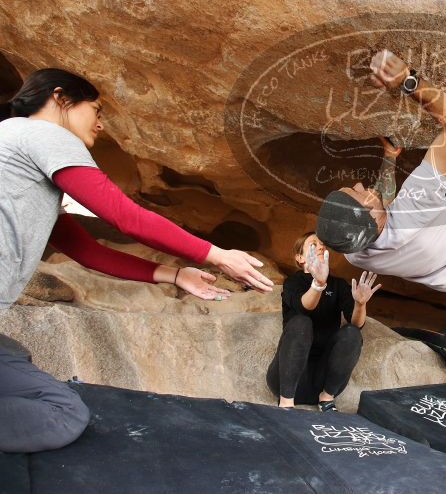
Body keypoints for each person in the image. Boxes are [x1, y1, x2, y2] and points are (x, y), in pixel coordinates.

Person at [0, 68, 276, 453]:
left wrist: (175, 276)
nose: (100, 123)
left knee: (14, 356)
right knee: (64, 415)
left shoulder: (14, 147)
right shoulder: (44, 134)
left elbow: (86, 251)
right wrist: (216, 255)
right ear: (60, 98)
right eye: (95, 109)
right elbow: (124, 216)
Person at [315, 50, 446, 293]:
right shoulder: (414, 205)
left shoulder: (352, 250)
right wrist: (407, 80)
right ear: (374, 219)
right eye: (356, 193)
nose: (358, 185)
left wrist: (390, 156)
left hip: (444, 271)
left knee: (439, 180)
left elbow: (381, 205)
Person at [267, 232, 381, 412]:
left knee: (352, 332)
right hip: (287, 379)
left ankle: (326, 399)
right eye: (313, 244)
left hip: (323, 380)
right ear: (300, 257)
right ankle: (286, 403)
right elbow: (305, 307)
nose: (321, 247)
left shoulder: (338, 285)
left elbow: (357, 323)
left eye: (323, 244)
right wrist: (318, 284)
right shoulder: (293, 282)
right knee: (301, 323)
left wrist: (360, 304)